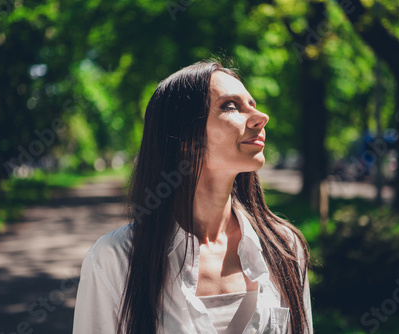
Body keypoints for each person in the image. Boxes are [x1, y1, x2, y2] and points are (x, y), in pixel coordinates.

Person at [72, 60, 313, 334]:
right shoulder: (116, 259)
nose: (261, 116)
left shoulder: (284, 248)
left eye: (252, 104)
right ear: (185, 138)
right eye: (231, 106)